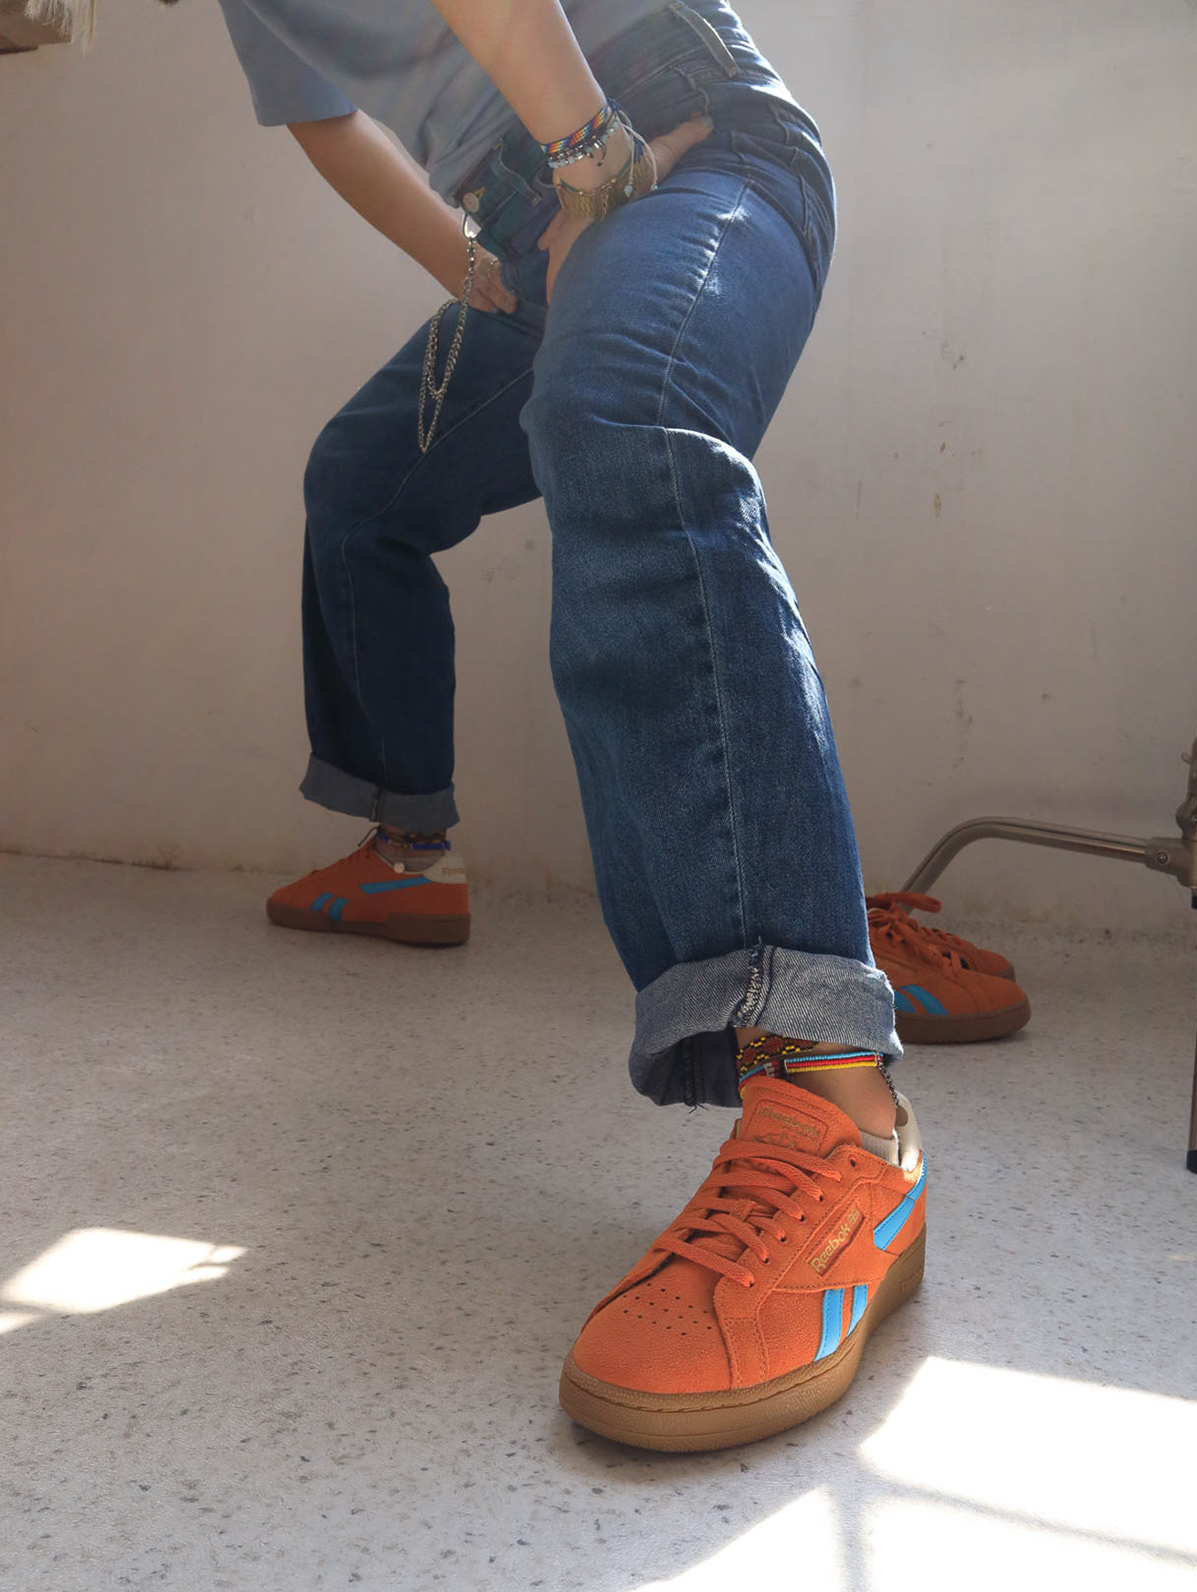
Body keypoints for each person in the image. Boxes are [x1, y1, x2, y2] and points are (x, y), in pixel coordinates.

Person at [200, 0, 1028, 1450]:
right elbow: (322, 116)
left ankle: (831, 1084)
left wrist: (594, 159)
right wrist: (481, 264)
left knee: (621, 411)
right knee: (364, 481)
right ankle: (406, 850)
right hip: (540, 207)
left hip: (682, 134)